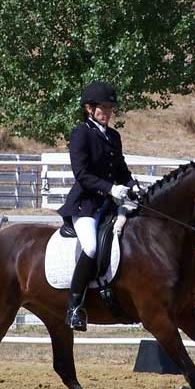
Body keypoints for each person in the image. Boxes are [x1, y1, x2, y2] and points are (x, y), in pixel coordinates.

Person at [57, 81, 137, 331]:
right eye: (104, 108)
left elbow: (121, 169)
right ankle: (74, 307)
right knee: (91, 247)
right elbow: (82, 174)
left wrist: (133, 185)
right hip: (86, 205)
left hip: (110, 204)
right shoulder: (80, 133)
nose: (108, 112)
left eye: (110, 108)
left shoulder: (113, 136)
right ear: (89, 108)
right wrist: (110, 188)